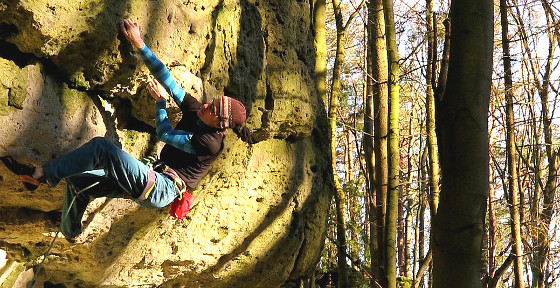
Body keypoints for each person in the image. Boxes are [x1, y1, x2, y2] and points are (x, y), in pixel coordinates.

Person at [0, 18, 249, 243]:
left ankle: (41, 174)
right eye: (212, 101)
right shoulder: (198, 110)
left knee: (103, 149)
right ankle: (70, 231)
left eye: (213, 109)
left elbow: (164, 135)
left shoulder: (210, 143)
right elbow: (167, 78)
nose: (206, 105)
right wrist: (140, 43)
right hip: (152, 173)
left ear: (220, 125)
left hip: (160, 187)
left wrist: (160, 104)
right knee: (79, 182)